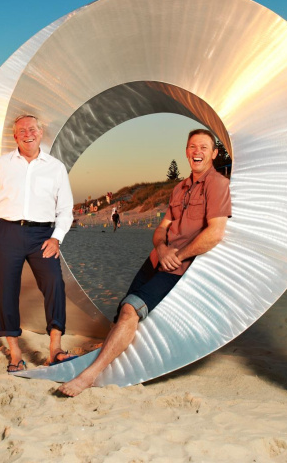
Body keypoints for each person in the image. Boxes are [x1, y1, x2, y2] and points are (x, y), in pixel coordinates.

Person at [58, 129, 231, 396]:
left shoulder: (216, 184)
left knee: (131, 309)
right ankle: (108, 351)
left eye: (204, 147)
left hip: (180, 267)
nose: (197, 151)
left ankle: (89, 376)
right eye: (192, 146)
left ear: (214, 153)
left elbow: (215, 232)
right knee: (123, 309)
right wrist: (161, 248)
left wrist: (178, 255)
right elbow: (163, 227)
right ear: (186, 151)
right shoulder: (179, 188)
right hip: (157, 259)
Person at [0, 114, 75, 373]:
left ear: (41, 133)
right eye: (21, 130)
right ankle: (15, 352)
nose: (27, 133)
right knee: (7, 290)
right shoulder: (1, 164)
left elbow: (66, 208)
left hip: (42, 236)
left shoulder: (55, 167)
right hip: (7, 232)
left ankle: (55, 348)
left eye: (32, 129)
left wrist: (57, 238)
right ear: (15, 136)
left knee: (54, 282)